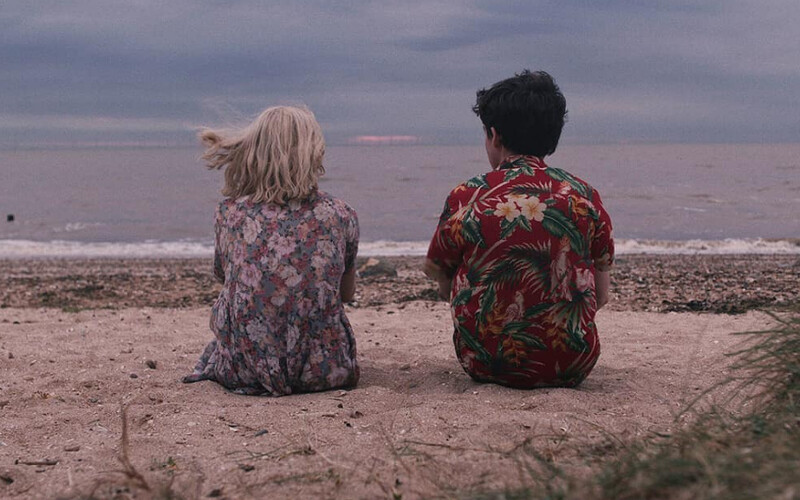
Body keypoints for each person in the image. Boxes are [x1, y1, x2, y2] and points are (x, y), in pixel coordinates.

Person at [424, 70, 614, 389]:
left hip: (484, 361)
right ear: (552, 136)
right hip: (573, 364)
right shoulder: (583, 195)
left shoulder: (467, 195)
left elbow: (440, 278)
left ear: (494, 135)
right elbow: (602, 295)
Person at [183, 105, 360, 396]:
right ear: (313, 153)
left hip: (244, 368)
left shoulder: (230, 214)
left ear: (254, 152)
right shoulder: (340, 214)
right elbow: (346, 294)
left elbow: (226, 278)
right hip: (325, 370)